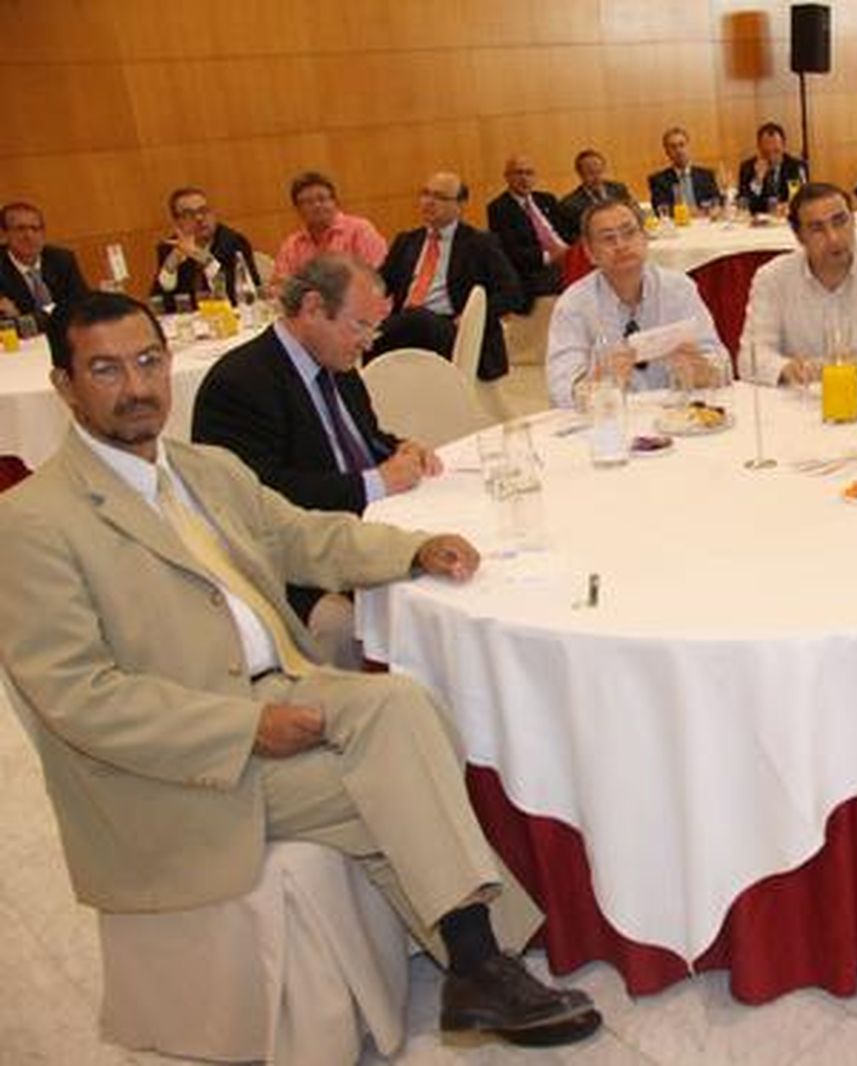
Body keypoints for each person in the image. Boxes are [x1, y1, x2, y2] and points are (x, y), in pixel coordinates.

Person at [0, 291, 604, 1048]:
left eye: (149, 361)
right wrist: (245, 726)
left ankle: (476, 963)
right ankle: (481, 957)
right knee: (385, 781)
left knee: (406, 707)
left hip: (279, 683)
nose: (138, 385)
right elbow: (79, 700)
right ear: (65, 386)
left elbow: (299, 536)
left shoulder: (201, 468)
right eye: (106, 370)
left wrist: (409, 549)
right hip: (173, 766)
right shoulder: (34, 521)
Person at [191, 255, 440, 662]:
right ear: (311, 308)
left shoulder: (336, 361)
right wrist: (376, 483)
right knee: (373, 612)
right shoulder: (240, 383)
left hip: (357, 528)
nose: (369, 341)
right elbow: (255, 499)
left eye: (374, 327)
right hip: (292, 562)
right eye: (360, 325)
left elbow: (363, 438)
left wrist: (400, 448)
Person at [738, 183, 857, 387]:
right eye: (817, 229)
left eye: (840, 222)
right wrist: (784, 369)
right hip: (799, 404)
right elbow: (751, 357)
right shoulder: (772, 278)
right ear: (800, 237)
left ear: (854, 221)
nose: (833, 238)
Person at [546, 199, 728, 408]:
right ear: (589, 253)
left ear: (645, 238)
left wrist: (704, 370)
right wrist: (596, 383)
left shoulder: (679, 288)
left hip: (679, 415)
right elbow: (560, 389)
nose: (621, 245)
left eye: (629, 233)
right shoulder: (573, 304)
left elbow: (720, 363)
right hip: (610, 421)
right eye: (608, 238)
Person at [371, 171, 522, 381]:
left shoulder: (480, 244)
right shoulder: (406, 241)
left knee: (415, 318)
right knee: (368, 337)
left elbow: (512, 293)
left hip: (453, 327)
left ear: (460, 205)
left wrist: (470, 316)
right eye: (425, 194)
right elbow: (379, 284)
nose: (429, 202)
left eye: (440, 197)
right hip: (406, 326)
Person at [150, 187, 259, 306]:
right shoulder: (170, 248)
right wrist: (170, 267)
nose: (199, 218)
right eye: (189, 214)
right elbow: (158, 302)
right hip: (189, 321)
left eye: (204, 210)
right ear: (177, 222)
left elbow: (245, 295)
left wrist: (206, 260)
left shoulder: (234, 242)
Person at [272, 172, 387, 280]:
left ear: (335, 202)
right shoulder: (291, 245)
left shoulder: (360, 230)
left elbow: (376, 275)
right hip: (309, 300)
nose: (317, 205)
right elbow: (281, 285)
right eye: (308, 202)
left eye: (322, 199)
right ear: (297, 209)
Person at [486, 156, 568, 307]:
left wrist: (570, 250)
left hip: (566, 257)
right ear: (507, 177)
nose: (524, 178)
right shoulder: (498, 208)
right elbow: (510, 251)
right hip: (537, 268)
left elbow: (565, 231)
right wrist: (549, 256)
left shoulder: (547, 199)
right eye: (519, 173)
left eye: (529, 173)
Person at [0, 202, 90, 322]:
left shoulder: (62, 260)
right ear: (4, 234)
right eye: (20, 229)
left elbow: (82, 304)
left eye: (35, 228)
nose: (29, 235)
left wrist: (27, 317)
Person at [557, 149, 634, 242]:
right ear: (580, 174)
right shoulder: (569, 204)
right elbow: (568, 237)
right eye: (590, 173)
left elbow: (634, 212)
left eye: (599, 171)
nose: (597, 177)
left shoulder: (618, 189)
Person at [647, 126, 721, 215]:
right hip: (676, 226)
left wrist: (715, 209)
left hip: (704, 224)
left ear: (688, 147)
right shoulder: (658, 180)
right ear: (667, 152)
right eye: (673, 147)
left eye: (682, 145)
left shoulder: (706, 175)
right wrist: (690, 212)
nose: (679, 150)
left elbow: (716, 202)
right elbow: (660, 209)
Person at [737, 122, 807, 215]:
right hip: (759, 221)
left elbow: (801, 197)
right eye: (766, 152)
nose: (772, 157)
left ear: (783, 145)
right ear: (759, 147)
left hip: (787, 218)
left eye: (776, 151)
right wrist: (758, 180)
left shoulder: (796, 166)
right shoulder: (748, 167)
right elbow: (745, 202)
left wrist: (788, 205)